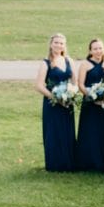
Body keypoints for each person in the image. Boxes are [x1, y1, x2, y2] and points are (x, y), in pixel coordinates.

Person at [34, 33, 76, 172]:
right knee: (53, 132)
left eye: (61, 43)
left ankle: (68, 163)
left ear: (65, 45)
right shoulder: (46, 63)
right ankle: (54, 164)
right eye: (56, 43)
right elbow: (39, 86)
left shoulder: (69, 60)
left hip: (67, 103)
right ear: (51, 44)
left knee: (66, 131)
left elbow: (74, 82)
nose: (59, 45)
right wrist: (56, 98)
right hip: (52, 103)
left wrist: (71, 94)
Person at [75, 38, 104, 171]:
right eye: (95, 48)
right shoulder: (85, 64)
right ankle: (88, 162)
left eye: (100, 48)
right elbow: (80, 84)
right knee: (90, 131)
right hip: (89, 103)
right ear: (90, 50)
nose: (98, 51)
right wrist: (91, 95)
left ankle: (103, 161)